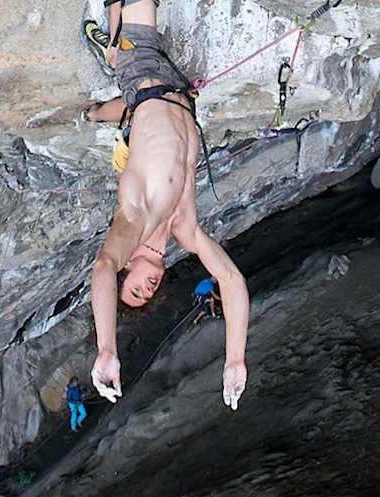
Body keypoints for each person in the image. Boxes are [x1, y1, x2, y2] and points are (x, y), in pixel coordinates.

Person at [82, 0, 250, 411]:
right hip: (175, 90)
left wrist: (106, 349)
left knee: (130, 52)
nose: (146, 288)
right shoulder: (184, 227)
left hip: (143, 75)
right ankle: (104, 68)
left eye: (134, 288)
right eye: (146, 295)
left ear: (128, 267)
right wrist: (234, 358)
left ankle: (108, 57)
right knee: (117, 104)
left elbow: (102, 267)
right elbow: (230, 280)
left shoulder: (133, 218)